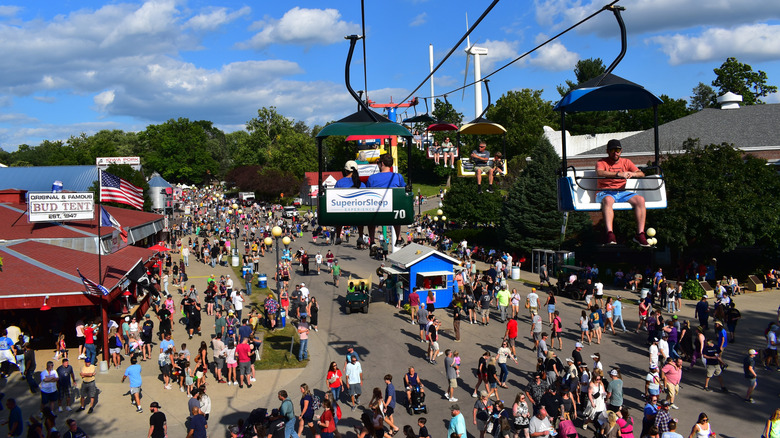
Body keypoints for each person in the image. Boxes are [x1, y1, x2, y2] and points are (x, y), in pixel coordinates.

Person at [595, 139, 649, 246]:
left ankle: (640, 234)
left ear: (621, 151)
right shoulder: (601, 162)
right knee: (608, 199)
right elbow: (600, 172)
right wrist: (618, 174)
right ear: (607, 151)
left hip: (621, 192)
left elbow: (641, 174)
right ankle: (610, 234)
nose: (615, 152)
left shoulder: (626, 162)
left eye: (618, 150)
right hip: (604, 192)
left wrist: (632, 174)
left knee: (640, 199)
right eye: (612, 150)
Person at [366, 153, 406, 246]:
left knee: (370, 215)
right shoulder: (398, 177)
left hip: (376, 212)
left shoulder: (372, 178)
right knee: (396, 207)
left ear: (382, 164)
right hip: (392, 212)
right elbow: (403, 192)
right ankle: (398, 237)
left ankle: (372, 240)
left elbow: (367, 194)